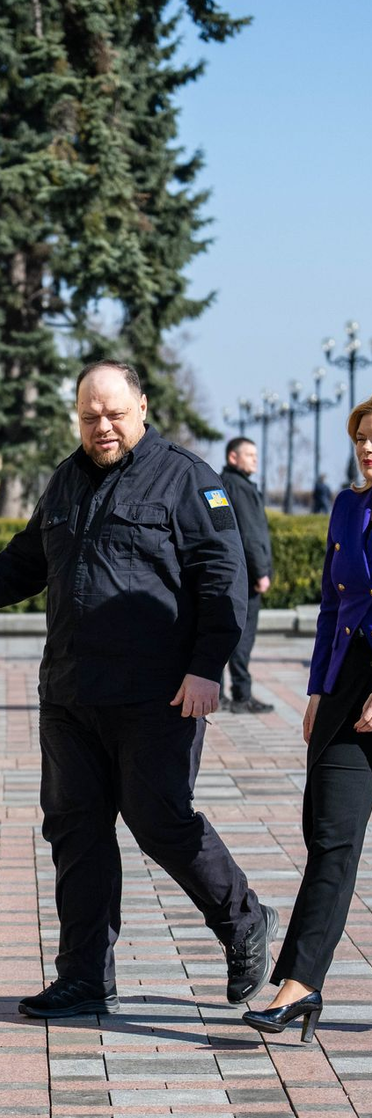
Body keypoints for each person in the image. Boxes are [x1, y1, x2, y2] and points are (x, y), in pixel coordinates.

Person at [0, 361, 275, 1018]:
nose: (101, 425)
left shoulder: (187, 478)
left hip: (158, 693)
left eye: (114, 413)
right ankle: (85, 977)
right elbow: (24, 561)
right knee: (76, 829)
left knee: (160, 820)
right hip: (71, 692)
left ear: (142, 408)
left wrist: (209, 666)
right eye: (89, 415)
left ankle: (244, 920)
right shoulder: (67, 478)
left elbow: (222, 573)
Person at [244, 396, 372, 1043]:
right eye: (361, 439)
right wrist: (321, 688)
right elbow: (331, 605)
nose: (368, 449)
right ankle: (300, 984)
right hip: (349, 682)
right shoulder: (349, 506)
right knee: (331, 834)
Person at [220, 437, 274, 714]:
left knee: (224, 634)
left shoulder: (225, 483)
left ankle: (220, 695)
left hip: (231, 576)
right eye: (249, 454)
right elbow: (251, 535)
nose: (255, 459)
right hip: (246, 578)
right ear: (233, 458)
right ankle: (242, 695)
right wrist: (261, 572)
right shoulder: (239, 487)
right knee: (243, 637)